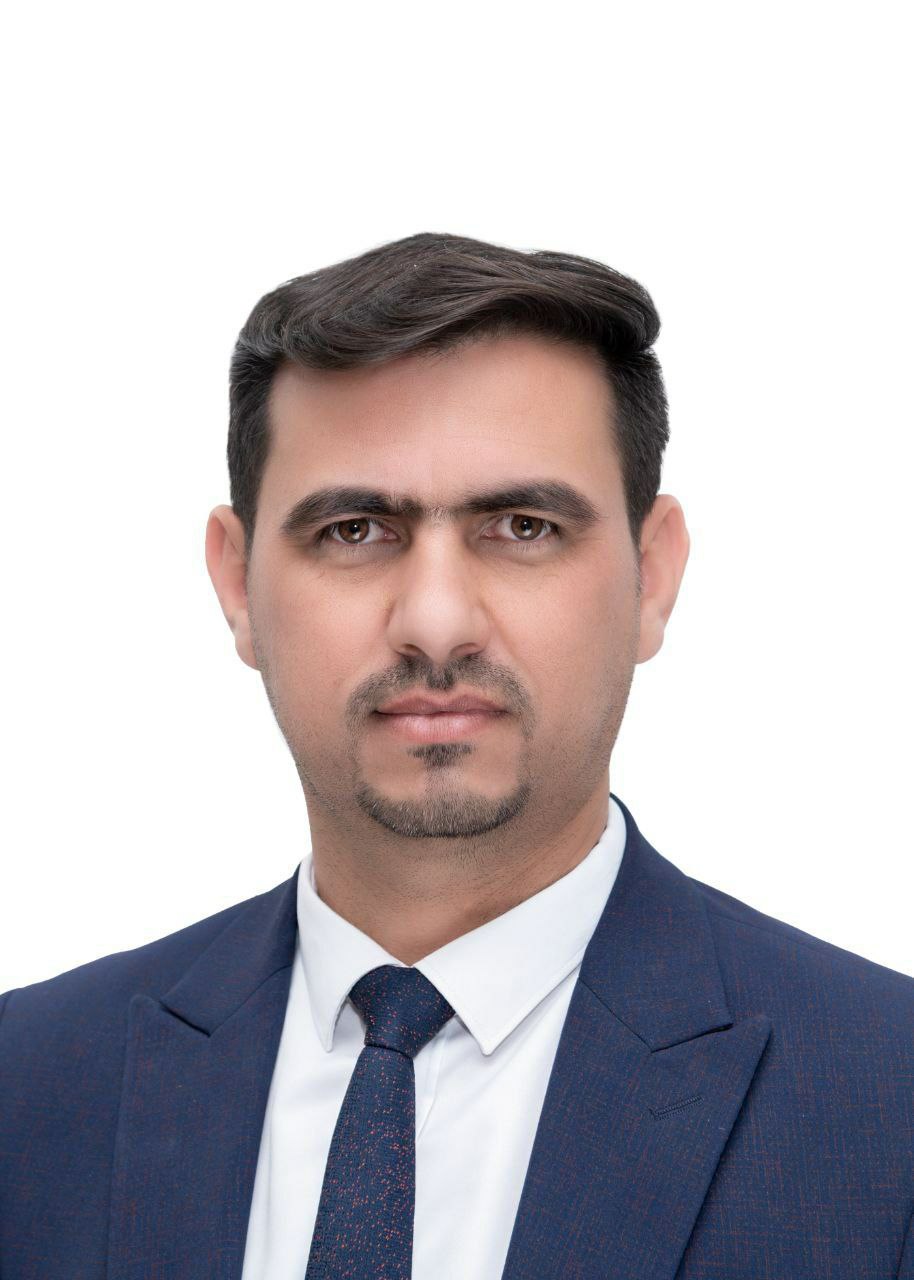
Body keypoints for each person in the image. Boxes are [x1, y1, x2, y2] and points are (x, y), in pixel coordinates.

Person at [1, 232, 911, 1279]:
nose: (436, 623)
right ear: (238, 584)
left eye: (522, 526)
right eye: (353, 530)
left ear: (651, 575)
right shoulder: (28, 1085)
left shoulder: (886, 1100)